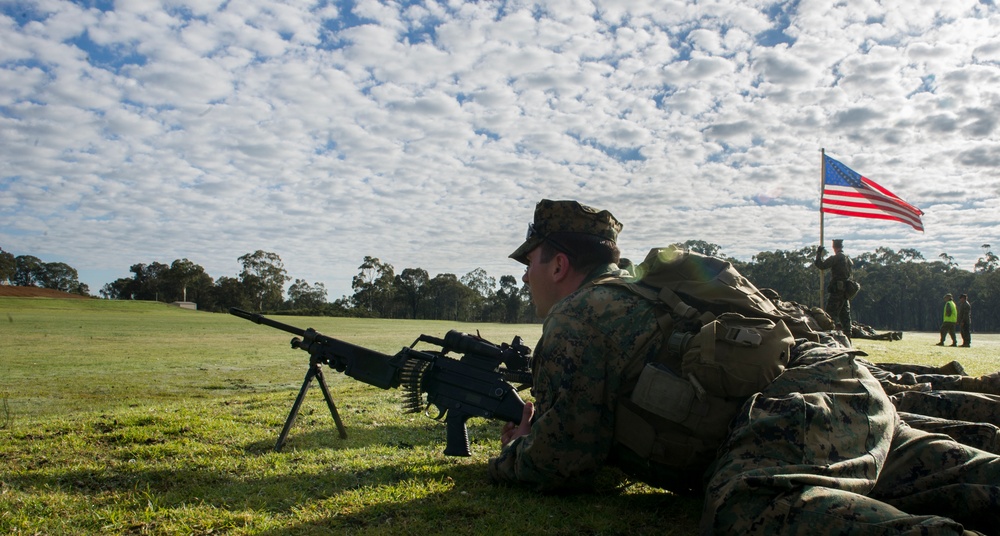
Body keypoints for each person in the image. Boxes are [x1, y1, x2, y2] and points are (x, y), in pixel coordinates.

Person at [491, 199, 1000, 535]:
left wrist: (515, 453)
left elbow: (564, 459)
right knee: (945, 471)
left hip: (794, 408)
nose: (526, 274)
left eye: (530, 260)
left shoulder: (577, 317)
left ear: (558, 264)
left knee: (748, 507)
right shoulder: (639, 291)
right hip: (832, 387)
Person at [813, 239, 853, 333]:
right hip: (846, 291)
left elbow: (821, 265)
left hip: (837, 291)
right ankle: (848, 335)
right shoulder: (848, 259)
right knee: (845, 316)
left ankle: (828, 335)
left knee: (830, 315)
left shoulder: (837, 258)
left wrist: (818, 253)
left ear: (834, 247)